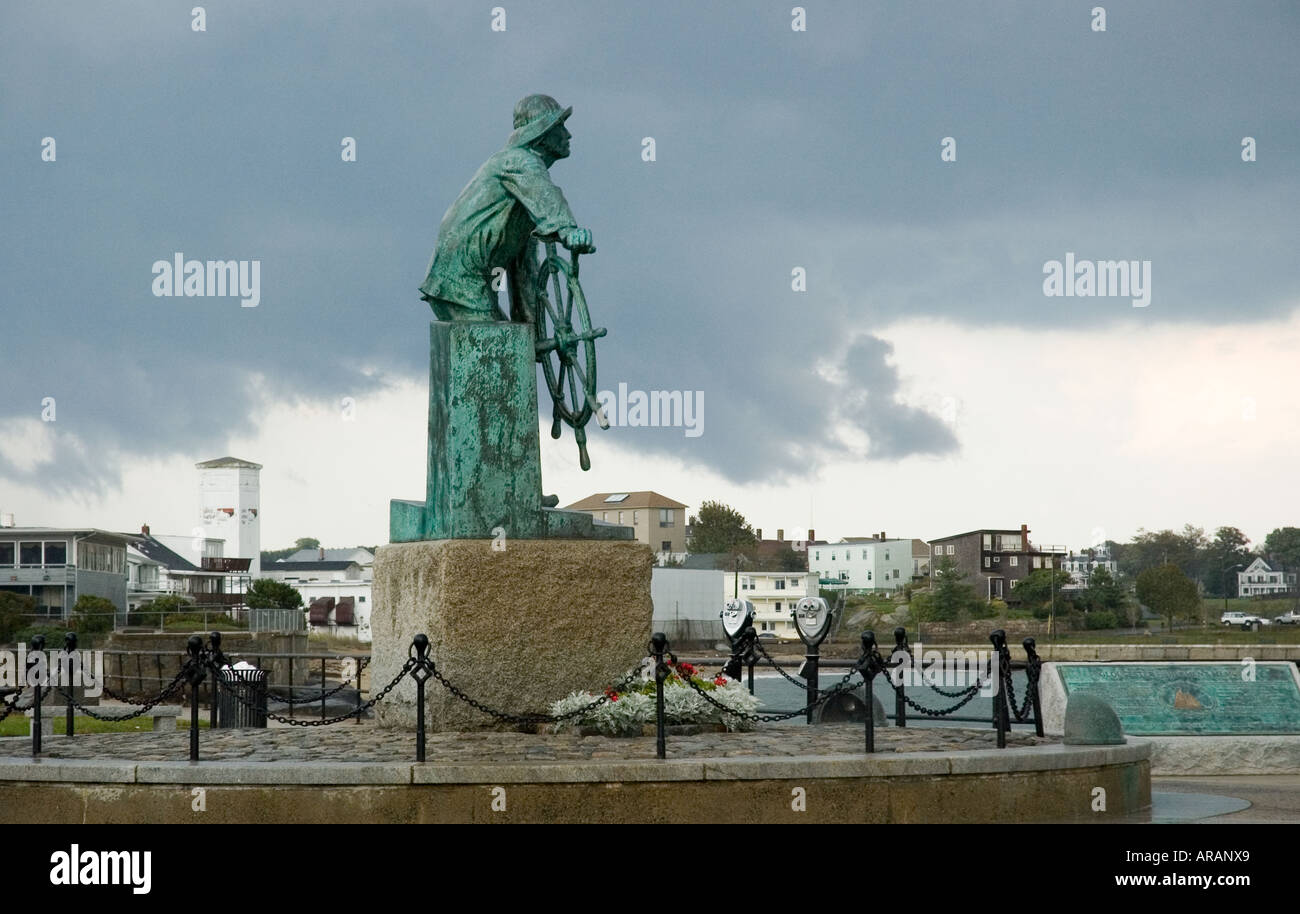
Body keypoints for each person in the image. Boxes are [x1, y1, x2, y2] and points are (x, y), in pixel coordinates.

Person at [419, 94, 596, 322]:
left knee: (511, 346)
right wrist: (568, 231)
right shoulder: (519, 161)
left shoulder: (523, 200)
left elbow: (523, 270)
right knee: (502, 349)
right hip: (460, 282)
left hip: (470, 283)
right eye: (560, 126)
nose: (568, 134)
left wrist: (531, 328)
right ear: (541, 132)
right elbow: (546, 196)